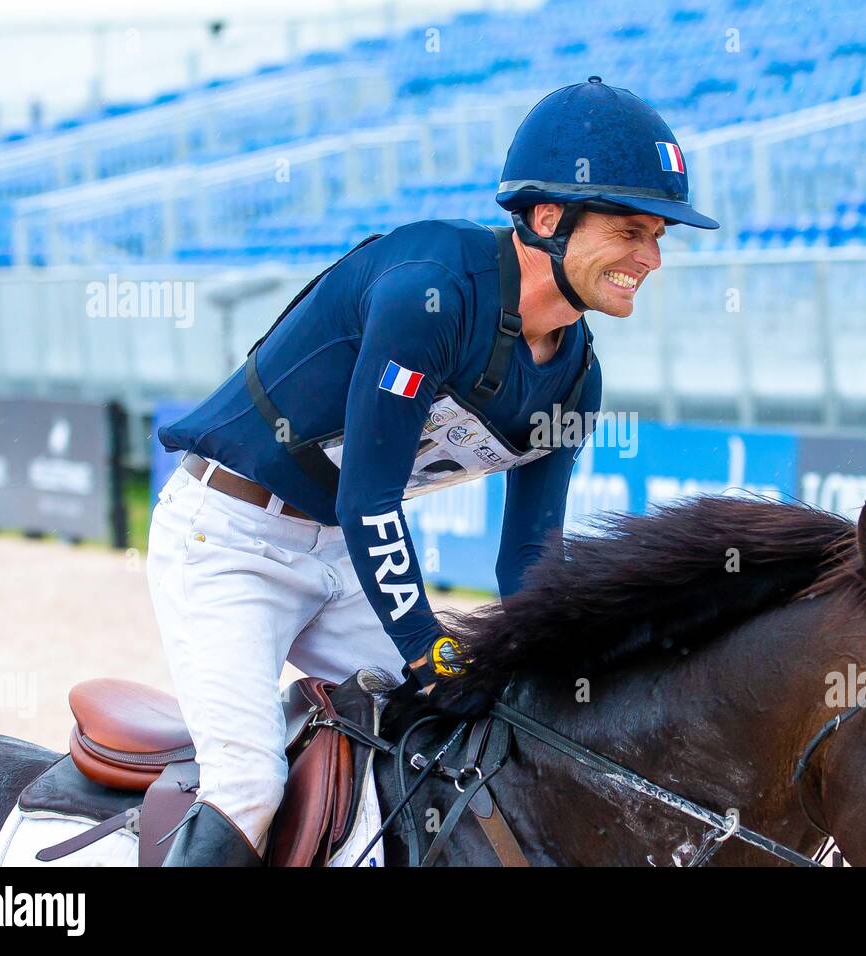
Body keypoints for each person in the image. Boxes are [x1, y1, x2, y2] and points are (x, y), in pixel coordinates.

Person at [147, 76, 718, 865]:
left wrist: (551, 666)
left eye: (659, 236)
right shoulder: (431, 295)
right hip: (230, 539)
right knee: (247, 785)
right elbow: (370, 496)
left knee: (447, 743)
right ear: (549, 219)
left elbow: (527, 560)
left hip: (343, 558)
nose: (651, 258)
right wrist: (430, 649)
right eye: (631, 231)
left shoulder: (576, 378)